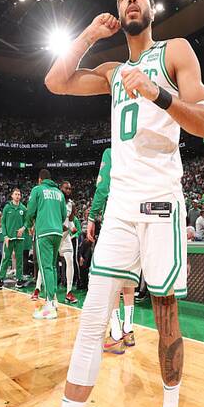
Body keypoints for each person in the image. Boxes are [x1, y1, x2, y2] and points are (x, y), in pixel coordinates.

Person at [0, 0, 204, 407]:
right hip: (119, 206)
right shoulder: (112, 71)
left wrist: (157, 91)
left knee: (166, 317)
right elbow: (55, 79)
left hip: (163, 202)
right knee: (91, 319)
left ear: (153, 5)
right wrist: (89, 33)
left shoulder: (176, 52)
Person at [87, 147, 136, 354]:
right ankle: (129, 330)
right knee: (129, 280)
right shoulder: (140, 148)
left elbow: (103, 187)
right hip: (140, 217)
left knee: (111, 277)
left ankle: (115, 334)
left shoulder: (113, 151)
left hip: (117, 219)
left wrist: (92, 215)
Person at [23, 169, 67, 320]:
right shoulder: (60, 193)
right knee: (53, 267)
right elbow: (63, 215)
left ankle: (49, 305)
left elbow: (30, 211)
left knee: (45, 267)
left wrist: (29, 224)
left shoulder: (37, 189)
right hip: (57, 232)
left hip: (44, 233)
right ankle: (53, 300)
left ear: (40, 180)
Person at [0, 189, 27, 290]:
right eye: (16, 194)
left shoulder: (23, 208)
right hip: (8, 238)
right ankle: (1, 279)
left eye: (19, 194)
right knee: (5, 259)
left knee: (19, 260)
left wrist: (23, 228)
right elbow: (3, 223)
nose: (18, 196)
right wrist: (5, 236)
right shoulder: (7, 207)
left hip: (19, 238)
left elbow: (27, 221)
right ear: (12, 196)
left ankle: (19, 280)